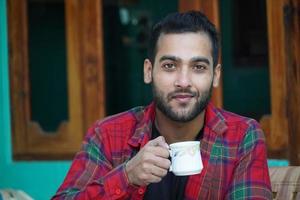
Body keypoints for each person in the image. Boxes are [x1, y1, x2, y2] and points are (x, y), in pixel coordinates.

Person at [52, 11, 272, 199]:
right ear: (149, 71)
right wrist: (127, 176)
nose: (183, 82)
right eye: (169, 65)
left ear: (215, 75)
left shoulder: (243, 136)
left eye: (198, 67)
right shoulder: (108, 135)